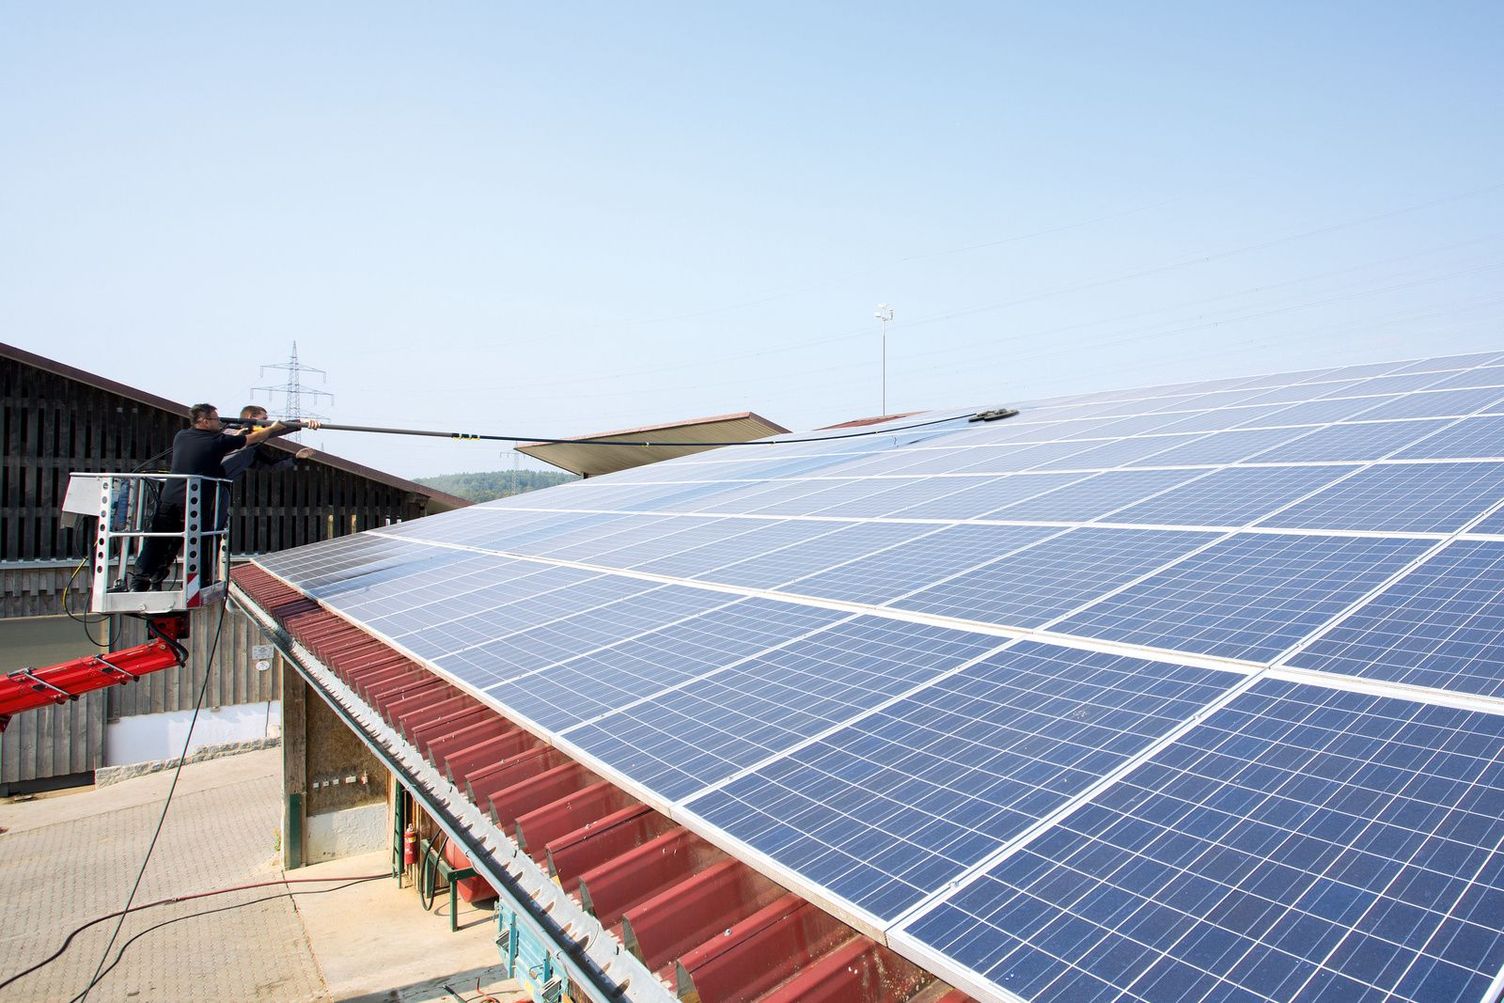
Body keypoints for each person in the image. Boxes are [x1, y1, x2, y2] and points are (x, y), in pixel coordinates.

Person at [126, 403, 302, 591]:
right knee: (201, 540)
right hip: (196, 500)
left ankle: (143, 580)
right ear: (204, 421)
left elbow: (257, 444)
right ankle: (200, 582)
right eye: (216, 419)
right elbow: (256, 436)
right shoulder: (219, 441)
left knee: (162, 540)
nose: (219, 422)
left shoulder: (182, 436)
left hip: (170, 497)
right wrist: (278, 427)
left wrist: (295, 426)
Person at [220, 404, 317, 481]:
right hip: (207, 476)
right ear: (251, 417)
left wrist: (296, 457)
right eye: (264, 420)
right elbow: (270, 430)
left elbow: (272, 465)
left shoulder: (251, 451)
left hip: (222, 482)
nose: (266, 424)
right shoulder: (229, 431)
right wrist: (302, 421)